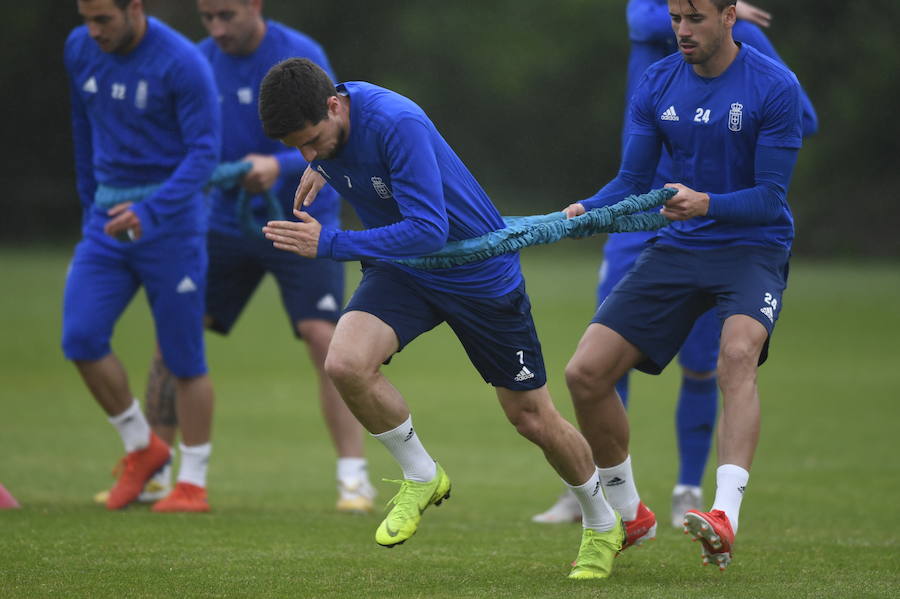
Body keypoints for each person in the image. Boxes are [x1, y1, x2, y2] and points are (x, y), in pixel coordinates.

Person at [259, 58, 625, 580]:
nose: (306, 154)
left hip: (478, 276)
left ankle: (602, 521)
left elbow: (428, 229)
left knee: (532, 419)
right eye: (298, 147)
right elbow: (345, 158)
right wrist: (323, 163)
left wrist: (331, 243)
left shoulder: (394, 122)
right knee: (344, 363)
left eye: (312, 141)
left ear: (334, 106)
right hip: (404, 272)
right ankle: (420, 474)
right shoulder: (330, 126)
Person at [534, 0, 817, 531]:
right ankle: (628, 512)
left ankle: (723, 513)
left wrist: (706, 203)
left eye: (696, 20)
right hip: (683, 247)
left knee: (735, 356)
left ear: (730, 16)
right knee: (585, 373)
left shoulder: (775, 85)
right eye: (676, 20)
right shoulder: (658, 82)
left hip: (753, 248)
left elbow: (771, 199)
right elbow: (631, 184)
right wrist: (583, 211)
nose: (683, 32)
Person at [95, 0, 376, 514]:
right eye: (207, 18)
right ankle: (156, 472)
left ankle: (353, 478)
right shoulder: (197, 61)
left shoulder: (299, 54)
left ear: (254, 5)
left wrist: (275, 163)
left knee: (324, 338)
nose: (217, 28)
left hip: (302, 217)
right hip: (223, 221)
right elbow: (189, 146)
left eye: (227, 15)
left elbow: (331, 139)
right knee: (177, 330)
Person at [63, 0, 220, 512]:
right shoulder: (79, 49)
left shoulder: (182, 63)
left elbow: (204, 154)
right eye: (86, 19)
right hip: (105, 224)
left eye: (103, 19)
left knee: (183, 357)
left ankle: (192, 483)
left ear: (135, 9)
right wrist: (91, 203)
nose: (93, 31)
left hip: (171, 226)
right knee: (81, 337)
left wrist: (152, 212)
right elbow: (83, 129)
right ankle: (142, 448)